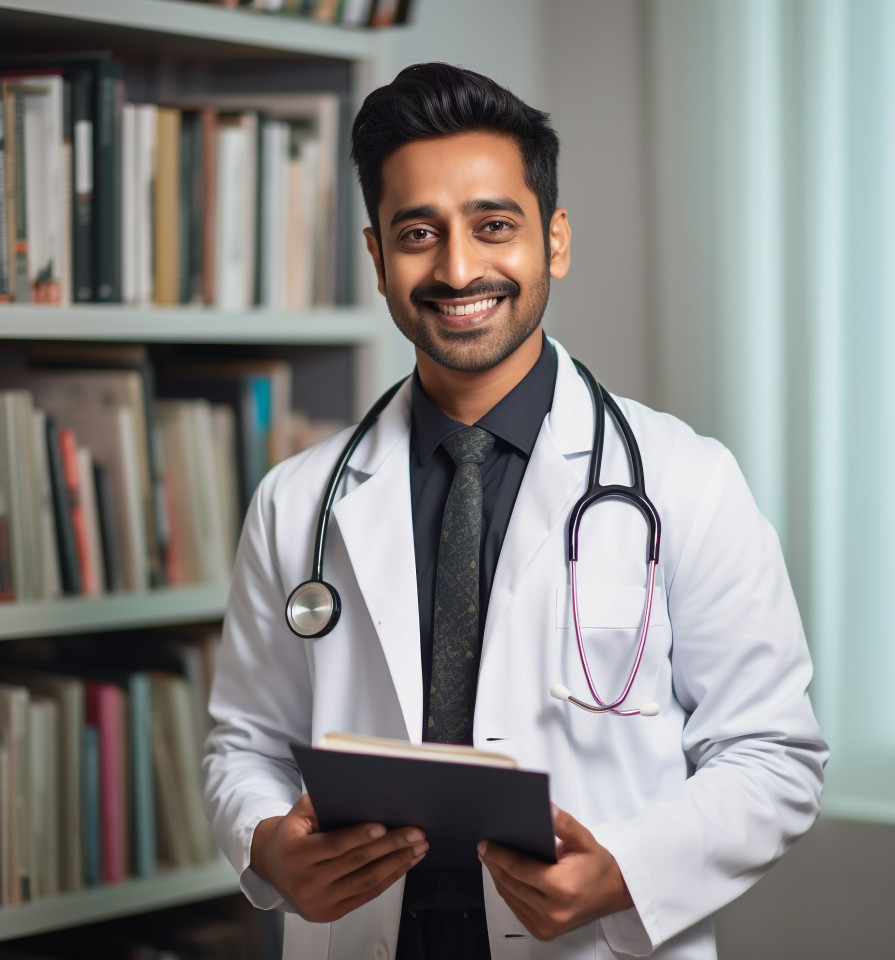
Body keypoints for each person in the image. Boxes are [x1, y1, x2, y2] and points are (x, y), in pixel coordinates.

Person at [203, 62, 828, 960]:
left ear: (555, 240)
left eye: (494, 225)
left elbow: (775, 755)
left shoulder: (687, 481)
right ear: (379, 259)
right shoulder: (298, 501)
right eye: (419, 233)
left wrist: (624, 869)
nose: (459, 269)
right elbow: (245, 743)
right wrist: (267, 845)